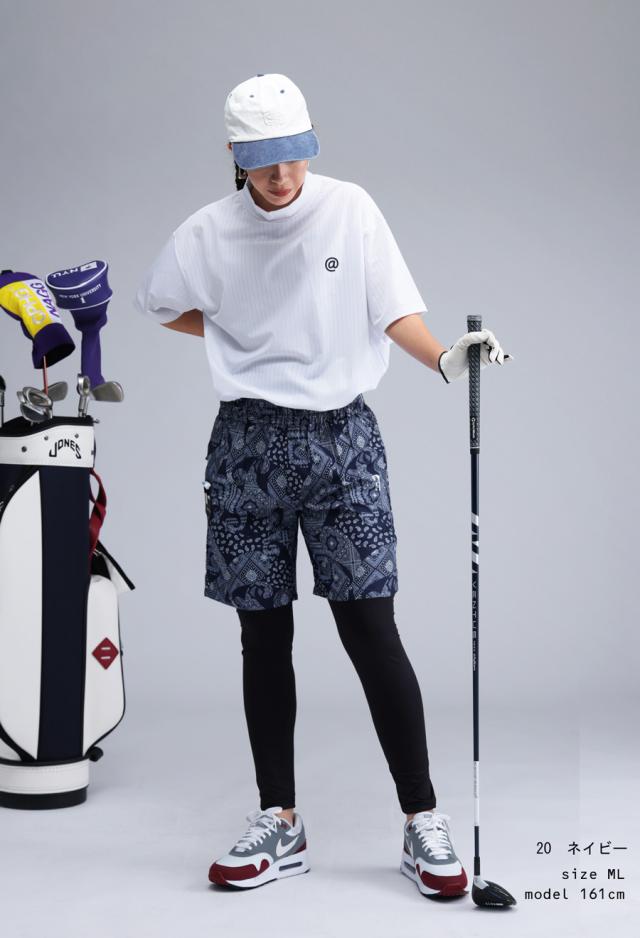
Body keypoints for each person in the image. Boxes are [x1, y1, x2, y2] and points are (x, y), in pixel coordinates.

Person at [135, 72, 513, 898]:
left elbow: (391, 309)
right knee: (262, 635)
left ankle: (422, 820)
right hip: (246, 445)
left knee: (371, 629)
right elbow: (160, 302)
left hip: (343, 440)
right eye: (265, 160)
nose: (283, 176)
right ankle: (281, 818)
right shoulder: (207, 232)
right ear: (236, 155)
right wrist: (236, 332)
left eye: (295, 156)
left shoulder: (350, 208)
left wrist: (446, 359)